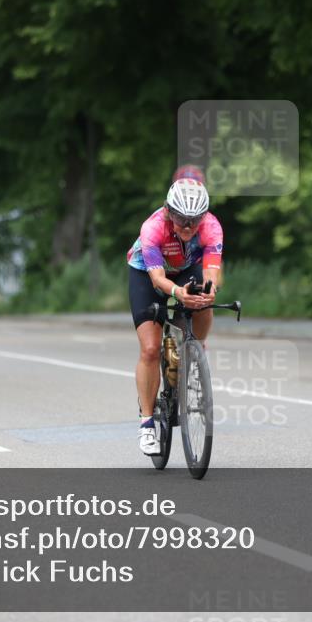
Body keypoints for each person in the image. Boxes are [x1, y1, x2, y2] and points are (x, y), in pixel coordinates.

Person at [127, 174, 222, 455]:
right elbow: (157, 279)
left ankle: (195, 350)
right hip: (147, 274)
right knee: (150, 349)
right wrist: (179, 293)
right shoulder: (153, 227)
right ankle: (146, 422)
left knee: (204, 298)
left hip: (186, 268)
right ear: (168, 211)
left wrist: (209, 289)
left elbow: (211, 270)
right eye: (182, 219)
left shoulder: (212, 227)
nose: (189, 227)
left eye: (196, 219)